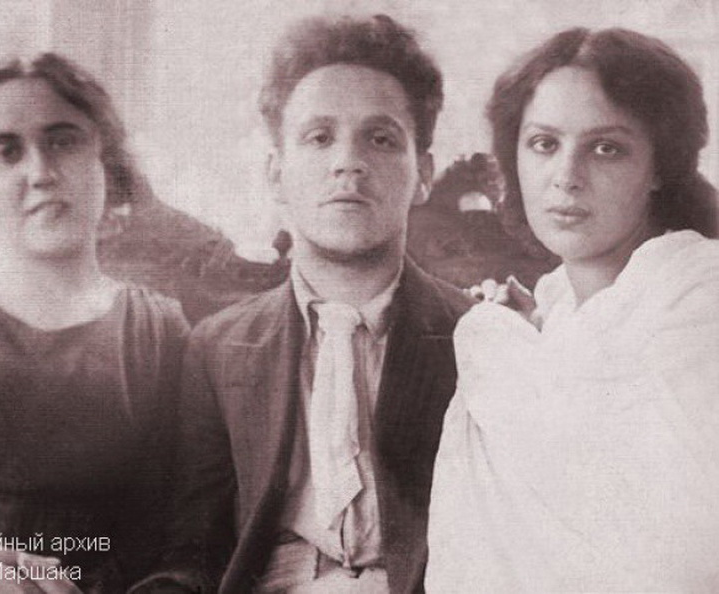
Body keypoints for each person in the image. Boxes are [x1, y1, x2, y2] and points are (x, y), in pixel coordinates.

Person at [133, 13, 473, 594]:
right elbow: (192, 549)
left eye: (381, 138)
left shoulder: (474, 335)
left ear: (423, 173)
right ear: (276, 172)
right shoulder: (218, 348)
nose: (348, 162)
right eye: (319, 137)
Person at [427, 27, 719, 592]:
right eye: (544, 144)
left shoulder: (699, 294)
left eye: (606, 148)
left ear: (661, 164)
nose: (566, 177)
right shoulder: (549, 315)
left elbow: (677, 545)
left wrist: (494, 344)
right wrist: (521, 341)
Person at [0, 53, 189, 593]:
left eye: (63, 141)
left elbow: (181, 528)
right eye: (6, 151)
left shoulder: (156, 332)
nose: (40, 173)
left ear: (106, 163)